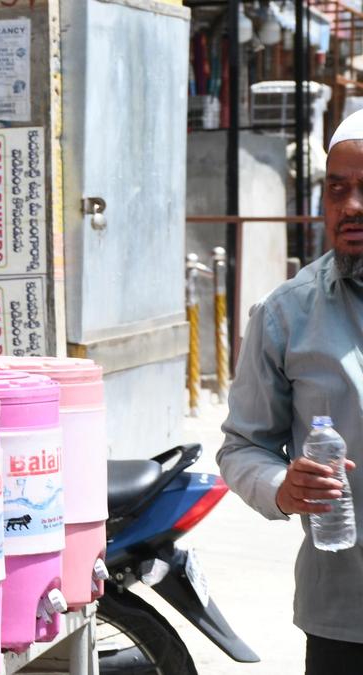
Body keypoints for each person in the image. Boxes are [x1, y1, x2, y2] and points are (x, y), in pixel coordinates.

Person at [219, 108, 363, 674]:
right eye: (337, 189)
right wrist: (283, 486)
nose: (351, 206)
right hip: (346, 615)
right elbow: (241, 446)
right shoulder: (287, 315)